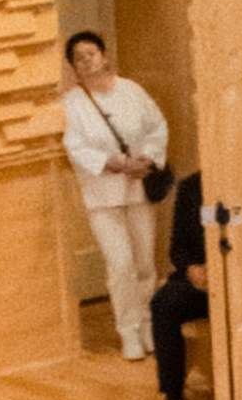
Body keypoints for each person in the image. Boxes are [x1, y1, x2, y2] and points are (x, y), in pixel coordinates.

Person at [59, 28, 167, 362]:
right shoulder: (72, 104)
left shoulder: (131, 90)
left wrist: (147, 159)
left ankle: (150, 324)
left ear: (104, 56)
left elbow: (157, 127)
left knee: (145, 263)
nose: (86, 62)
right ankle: (129, 330)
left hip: (138, 190)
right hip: (103, 197)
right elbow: (74, 145)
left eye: (91, 54)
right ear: (73, 67)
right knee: (120, 265)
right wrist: (110, 162)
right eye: (79, 58)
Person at [146, 168, 206, 400]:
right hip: (198, 280)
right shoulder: (190, 186)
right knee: (163, 303)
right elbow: (177, 248)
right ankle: (172, 398)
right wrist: (191, 268)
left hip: (238, 280)